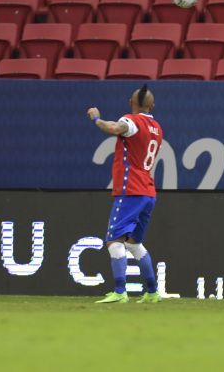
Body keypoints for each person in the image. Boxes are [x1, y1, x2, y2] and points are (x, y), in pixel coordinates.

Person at [87, 85, 163, 304]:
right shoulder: (157, 127)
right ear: (152, 105)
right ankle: (152, 292)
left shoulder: (131, 121)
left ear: (131, 103)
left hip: (131, 189)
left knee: (113, 240)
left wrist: (96, 119)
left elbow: (114, 128)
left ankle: (120, 292)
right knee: (134, 243)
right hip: (149, 191)